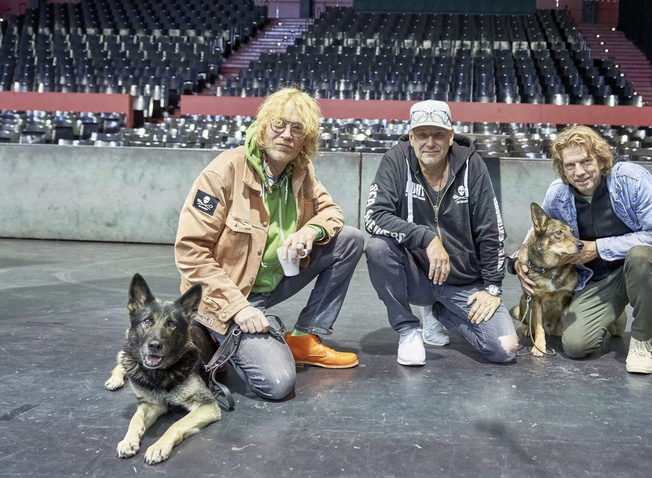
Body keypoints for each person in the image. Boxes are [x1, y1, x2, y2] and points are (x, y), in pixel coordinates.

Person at [174, 86, 363, 401]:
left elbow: (331, 212)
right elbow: (190, 253)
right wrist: (237, 308)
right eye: (279, 124)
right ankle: (212, 332)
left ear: (306, 139)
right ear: (262, 126)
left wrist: (310, 232)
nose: (286, 134)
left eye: (297, 128)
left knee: (349, 240)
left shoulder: (301, 171)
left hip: (273, 282)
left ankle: (302, 338)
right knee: (277, 383)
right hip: (229, 296)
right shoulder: (223, 172)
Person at [512, 125, 652, 374]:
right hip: (596, 281)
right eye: (570, 166)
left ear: (601, 158)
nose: (579, 172)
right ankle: (615, 312)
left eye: (586, 161)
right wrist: (519, 261)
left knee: (641, 255)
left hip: (642, 270)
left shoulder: (632, 179)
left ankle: (641, 342)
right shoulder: (558, 193)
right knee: (575, 346)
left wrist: (599, 248)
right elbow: (536, 234)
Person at [364, 100, 518, 366]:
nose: (430, 143)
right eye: (422, 135)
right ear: (411, 137)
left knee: (504, 349)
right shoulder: (396, 160)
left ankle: (441, 312)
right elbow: (374, 216)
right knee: (378, 247)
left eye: (438, 134)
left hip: (463, 282)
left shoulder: (472, 165)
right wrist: (428, 238)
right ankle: (408, 329)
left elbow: (491, 229)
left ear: (450, 136)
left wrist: (492, 287)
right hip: (418, 275)